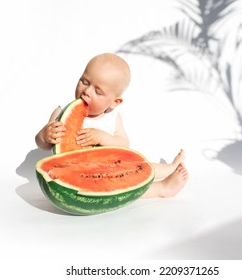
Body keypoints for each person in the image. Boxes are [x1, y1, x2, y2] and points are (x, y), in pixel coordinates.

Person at [35, 53, 188, 198]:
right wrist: (44, 136)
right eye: (85, 81)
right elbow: (44, 145)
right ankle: (161, 189)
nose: (87, 91)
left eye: (98, 91)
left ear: (115, 102)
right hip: (73, 176)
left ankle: (168, 172)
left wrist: (101, 137)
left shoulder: (112, 117)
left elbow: (124, 145)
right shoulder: (62, 112)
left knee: (135, 171)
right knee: (121, 189)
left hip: (109, 172)